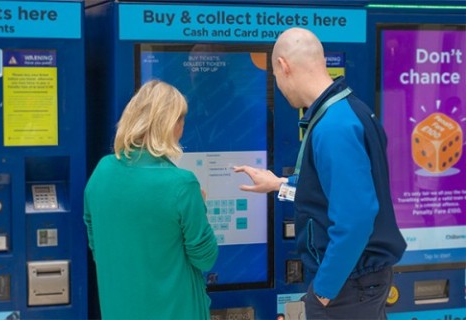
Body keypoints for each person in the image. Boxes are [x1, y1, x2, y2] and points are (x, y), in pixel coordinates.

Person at [234, 28, 406, 319]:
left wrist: (324, 291)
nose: (278, 85)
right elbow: (333, 193)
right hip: (358, 280)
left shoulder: (333, 127)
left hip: (348, 286)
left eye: (275, 77)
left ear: (284, 66)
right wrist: (279, 184)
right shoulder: (347, 111)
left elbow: (356, 218)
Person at [84, 80, 218, 320]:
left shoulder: (101, 171)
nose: (183, 127)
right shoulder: (182, 184)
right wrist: (201, 207)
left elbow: (96, 244)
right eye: (181, 119)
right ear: (169, 125)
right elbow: (205, 257)